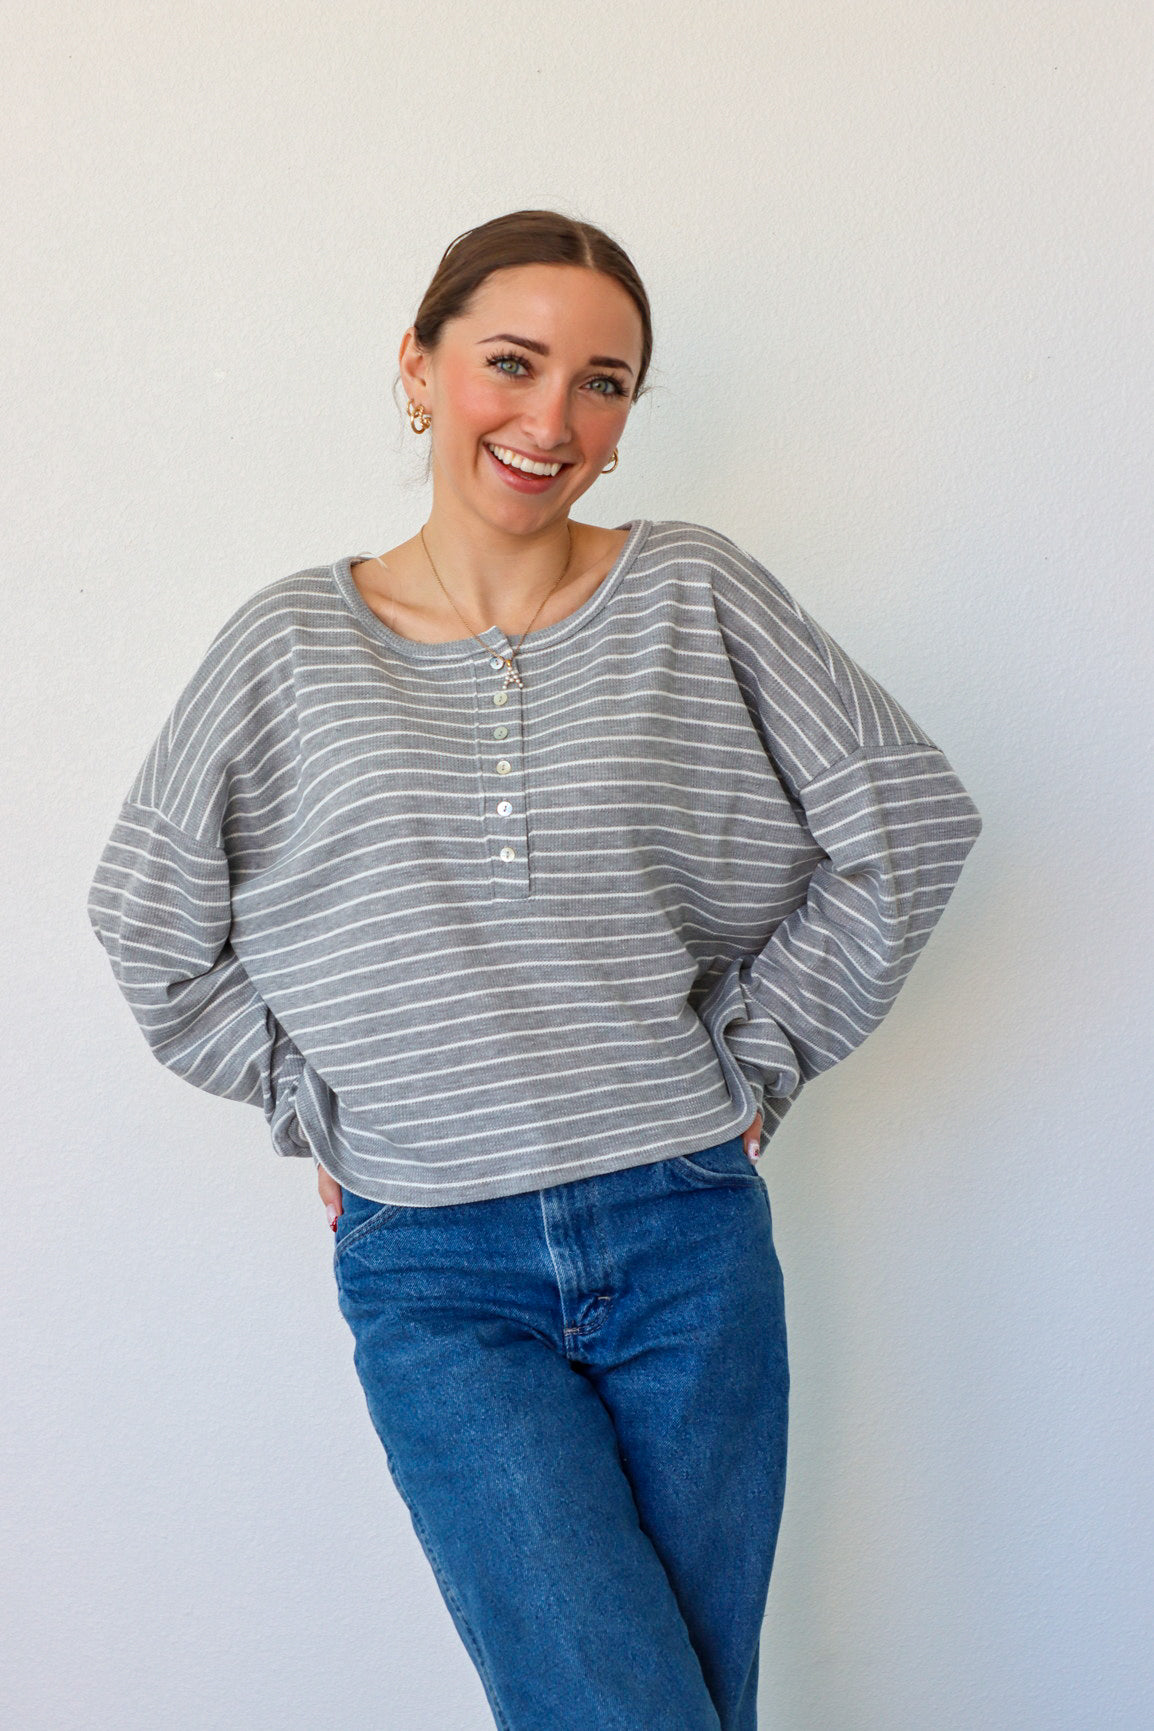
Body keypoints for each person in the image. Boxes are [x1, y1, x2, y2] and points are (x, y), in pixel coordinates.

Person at [88, 209, 981, 1731]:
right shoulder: (286, 647)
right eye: (512, 363)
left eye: (602, 383)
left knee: (694, 1703)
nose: (550, 418)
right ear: (420, 370)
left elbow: (905, 820)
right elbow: (147, 920)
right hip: (434, 1268)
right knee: (615, 1710)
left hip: (684, 1234)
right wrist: (316, 1098)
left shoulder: (694, 591)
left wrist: (756, 1062)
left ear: (627, 422)